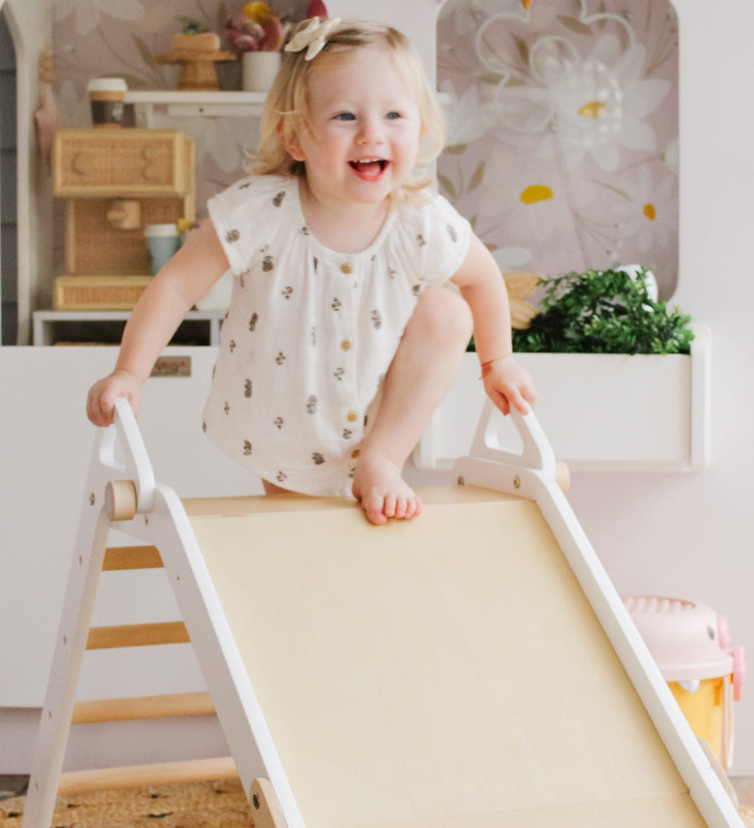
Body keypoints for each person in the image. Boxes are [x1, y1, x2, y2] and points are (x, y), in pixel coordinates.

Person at [87, 17, 536, 524]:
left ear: (421, 128)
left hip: (376, 406)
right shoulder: (260, 213)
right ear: (295, 137)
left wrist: (497, 362)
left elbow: (481, 277)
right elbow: (175, 286)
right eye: (345, 116)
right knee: (307, 542)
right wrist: (130, 372)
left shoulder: (420, 220)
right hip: (283, 416)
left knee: (448, 310)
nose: (372, 133)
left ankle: (381, 460)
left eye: (394, 114)